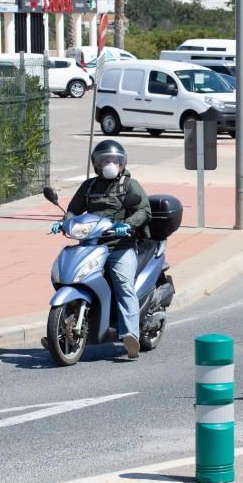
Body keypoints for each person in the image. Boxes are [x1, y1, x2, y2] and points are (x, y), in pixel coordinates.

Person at [51, 140, 151, 358]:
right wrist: (65, 222)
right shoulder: (88, 186)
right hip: (92, 244)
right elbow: (74, 209)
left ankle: (130, 334)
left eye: (114, 160)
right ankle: (63, 325)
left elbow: (144, 210)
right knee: (73, 276)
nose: (110, 164)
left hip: (120, 246)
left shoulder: (129, 185)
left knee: (123, 284)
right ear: (97, 164)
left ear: (121, 162)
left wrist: (128, 224)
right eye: (105, 160)